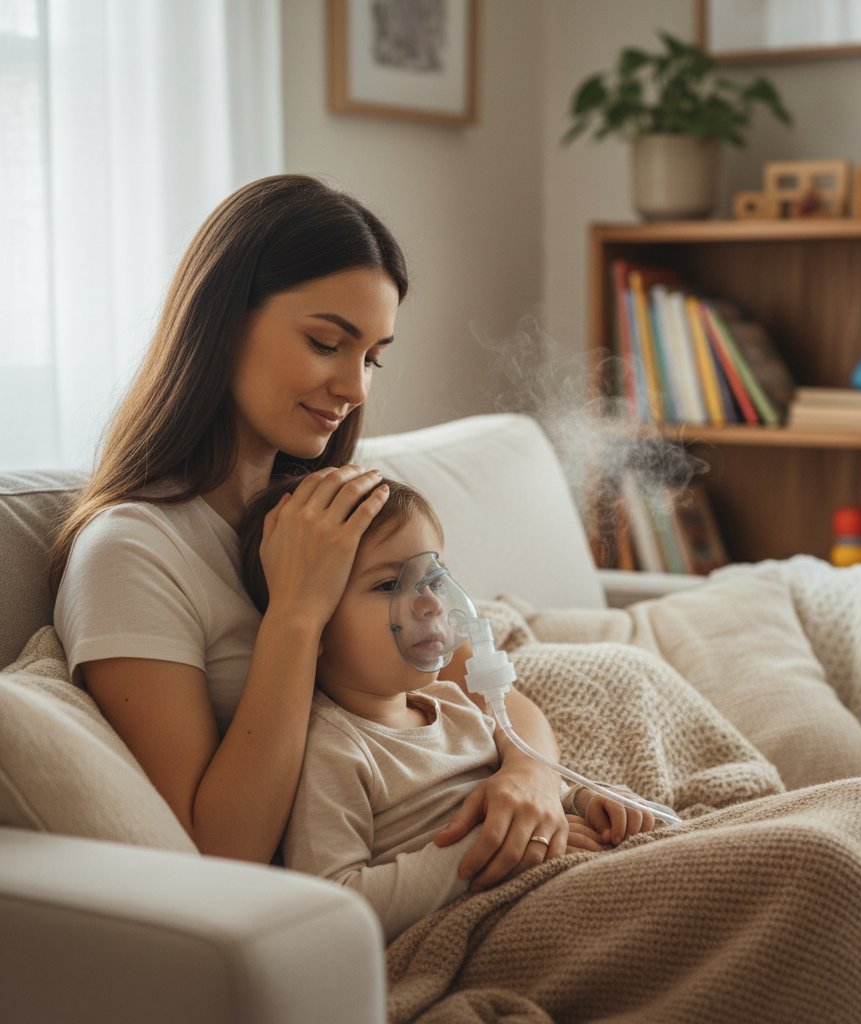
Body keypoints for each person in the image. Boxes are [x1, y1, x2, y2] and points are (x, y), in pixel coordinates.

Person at [50, 174, 570, 884]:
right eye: (328, 342)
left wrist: (534, 778)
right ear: (223, 321)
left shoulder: (338, 505)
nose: (356, 387)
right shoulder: (132, 554)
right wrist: (295, 615)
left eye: (372, 356)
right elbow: (215, 856)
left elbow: (485, 688)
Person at [237, 474, 656, 941]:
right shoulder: (334, 751)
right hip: (499, 928)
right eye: (389, 584)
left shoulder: (455, 704)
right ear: (314, 625)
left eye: (433, 579)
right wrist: (491, 848)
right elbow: (336, 904)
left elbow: (527, 793)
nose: (431, 604)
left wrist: (588, 800)